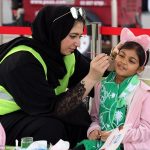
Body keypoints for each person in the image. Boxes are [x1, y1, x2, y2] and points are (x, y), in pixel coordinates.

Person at [0, 5, 111, 148]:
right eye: (72, 36)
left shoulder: (62, 52)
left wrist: (118, 61)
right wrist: (90, 79)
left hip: (33, 111)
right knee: (50, 128)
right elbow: (55, 109)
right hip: (5, 119)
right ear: (55, 32)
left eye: (79, 36)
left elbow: (94, 71)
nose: (77, 43)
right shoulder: (22, 62)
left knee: (77, 114)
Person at [74, 27, 150, 150]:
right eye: (121, 55)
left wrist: (117, 136)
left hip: (127, 146)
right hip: (101, 143)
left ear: (140, 69)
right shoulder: (101, 85)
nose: (123, 62)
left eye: (131, 61)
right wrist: (94, 130)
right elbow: (95, 118)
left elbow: (146, 130)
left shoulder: (144, 92)